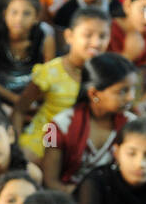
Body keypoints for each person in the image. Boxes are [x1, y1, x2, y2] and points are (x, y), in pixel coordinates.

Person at [14, 6, 112, 159]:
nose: (96, 43)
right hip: (47, 139)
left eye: (103, 36)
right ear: (69, 36)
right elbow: (19, 110)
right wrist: (16, 149)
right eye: (88, 35)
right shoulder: (50, 72)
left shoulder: (109, 75)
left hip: (84, 143)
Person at [41, 52, 137, 193]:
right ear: (94, 94)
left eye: (134, 88)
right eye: (122, 91)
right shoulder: (55, 127)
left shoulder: (132, 125)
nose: (131, 97)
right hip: (69, 197)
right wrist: (85, 197)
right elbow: (50, 181)